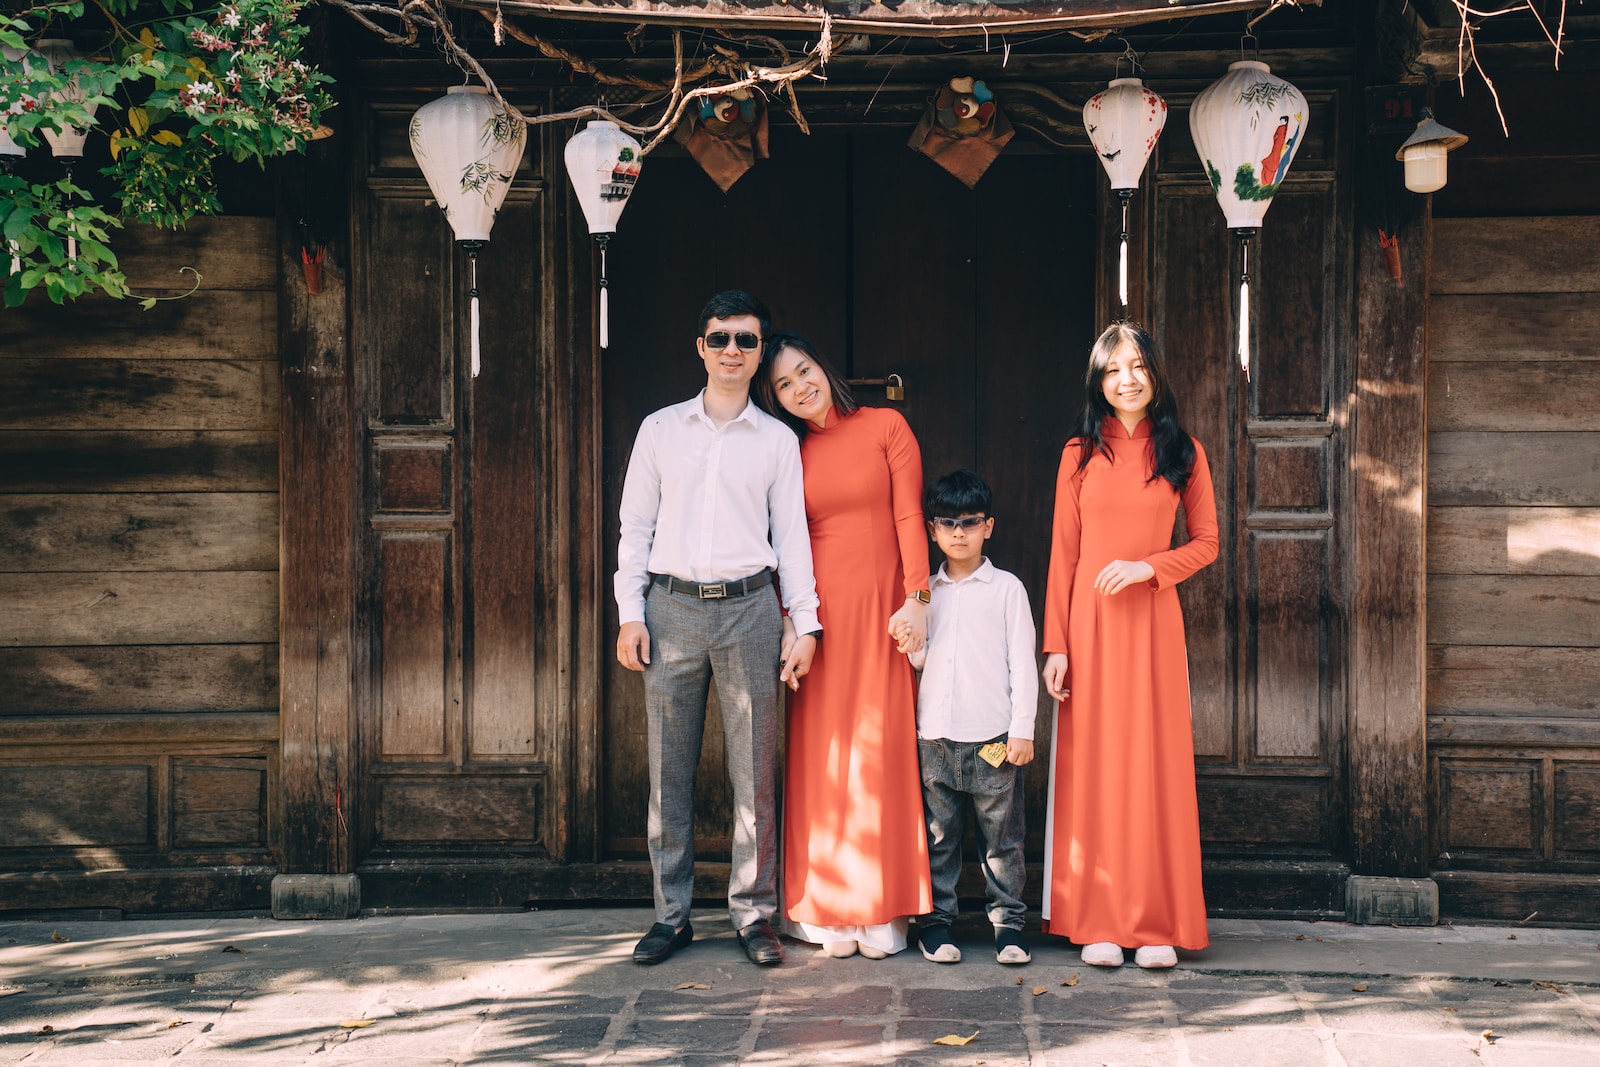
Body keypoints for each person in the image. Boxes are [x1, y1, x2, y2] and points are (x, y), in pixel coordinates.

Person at [615, 291, 822, 967]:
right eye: (720, 337)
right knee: (668, 771)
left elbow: (792, 540)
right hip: (671, 607)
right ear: (699, 347)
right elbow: (634, 530)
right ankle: (671, 914)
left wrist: (807, 623)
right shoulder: (660, 431)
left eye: (746, 339)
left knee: (754, 772)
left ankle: (753, 912)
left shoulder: (778, 440)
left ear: (759, 354)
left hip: (750, 609)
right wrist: (630, 612)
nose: (733, 349)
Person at [1040, 321, 1219, 970]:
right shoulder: (1078, 453)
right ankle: (1099, 919)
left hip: (1151, 624)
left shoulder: (1184, 452)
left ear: (1156, 374)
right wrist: (1055, 644)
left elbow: (1207, 542)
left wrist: (1151, 567)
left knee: (1152, 766)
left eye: (1139, 365)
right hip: (1088, 627)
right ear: (1098, 380)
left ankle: (1155, 922)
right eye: (1114, 368)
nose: (1128, 378)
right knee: (1096, 767)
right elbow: (1063, 555)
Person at [754, 331, 932, 960]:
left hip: (883, 604)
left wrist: (918, 598)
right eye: (783, 384)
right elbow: (781, 544)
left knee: (880, 743)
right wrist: (792, 622)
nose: (800, 387)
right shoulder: (787, 450)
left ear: (824, 368)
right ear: (774, 398)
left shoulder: (886, 425)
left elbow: (910, 516)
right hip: (819, 614)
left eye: (804, 371)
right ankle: (829, 904)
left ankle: (881, 904)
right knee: (824, 748)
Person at [906, 469, 1038, 966]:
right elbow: (924, 662)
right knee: (940, 837)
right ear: (932, 530)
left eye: (969, 522)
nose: (958, 532)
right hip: (936, 738)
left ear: (989, 526)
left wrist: (1022, 728)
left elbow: (1023, 663)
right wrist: (912, 648)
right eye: (946, 523)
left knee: (1002, 839)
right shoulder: (924, 593)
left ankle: (1008, 925)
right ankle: (937, 923)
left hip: (994, 739)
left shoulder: (1006, 589)